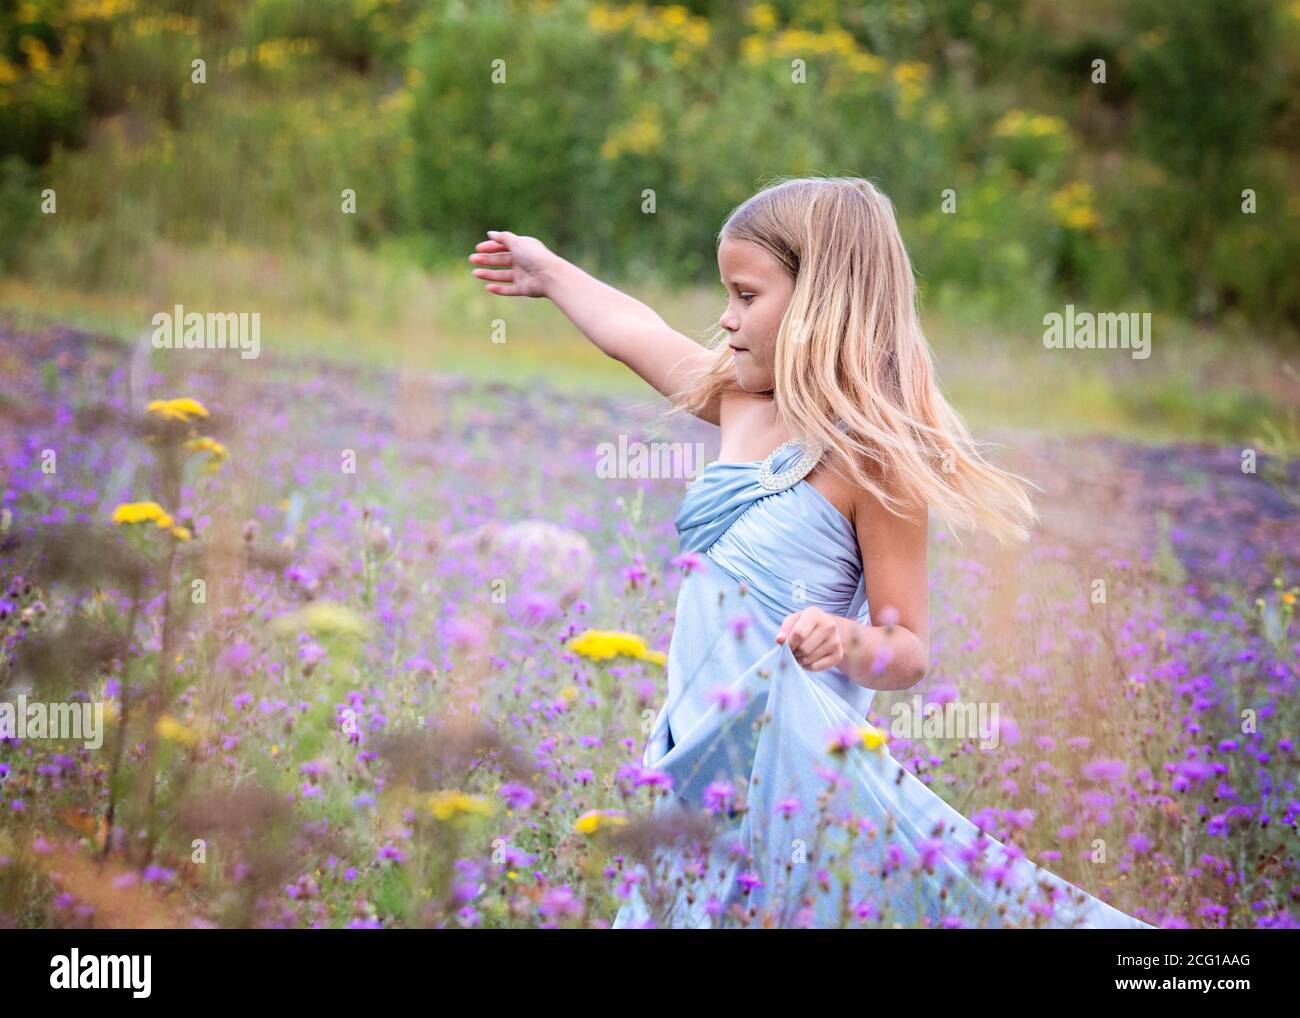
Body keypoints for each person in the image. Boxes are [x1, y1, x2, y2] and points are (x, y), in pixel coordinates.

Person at [468, 176, 1155, 929]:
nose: (726, 320)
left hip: (793, 783)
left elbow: (908, 650)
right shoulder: (739, 402)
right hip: (697, 767)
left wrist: (849, 638)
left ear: (822, 301)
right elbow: (633, 329)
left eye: (746, 296)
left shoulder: (875, 464)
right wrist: (549, 273)